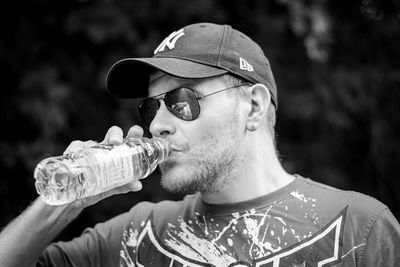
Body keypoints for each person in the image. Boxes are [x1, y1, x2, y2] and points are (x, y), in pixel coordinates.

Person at [0, 22, 399, 267]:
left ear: (254, 107)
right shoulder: (137, 235)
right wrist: (67, 199)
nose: (158, 124)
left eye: (182, 101)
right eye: (150, 108)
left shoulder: (360, 228)